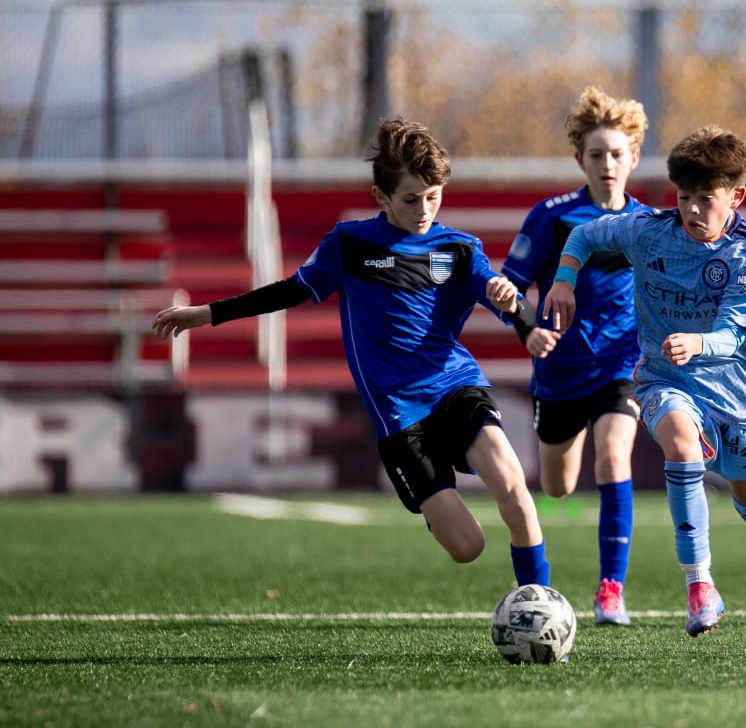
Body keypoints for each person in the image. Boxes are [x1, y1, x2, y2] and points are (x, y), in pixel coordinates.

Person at [153, 117, 552, 588]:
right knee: (468, 547)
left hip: (455, 386)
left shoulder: (460, 249)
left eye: (433, 196)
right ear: (381, 197)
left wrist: (524, 318)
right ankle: (434, 503)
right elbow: (290, 291)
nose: (424, 209)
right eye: (411, 199)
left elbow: (501, 295)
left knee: (514, 491)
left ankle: (540, 603)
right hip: (399, 413)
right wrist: (210, 314)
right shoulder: (350, 245)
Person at [543, 124, 746, 651]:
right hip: (663, 379)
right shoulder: (648, 230)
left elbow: (734, 332)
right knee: (679, 443)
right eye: (685, 197)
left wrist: (698, 342)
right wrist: (564, 278)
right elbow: (583, 234)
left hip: (732, 390)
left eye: (706, 199)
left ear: (736, 196)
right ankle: (700, 586)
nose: (692, 209)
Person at [500, 86, 651, 626]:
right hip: (561, 371)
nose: (607, 164)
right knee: (557, 486)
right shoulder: (552, 216)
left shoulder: (650, 224)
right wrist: (528, 332)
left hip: (621, 364)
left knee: (614, 456)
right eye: (596, 154)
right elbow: (506, 287)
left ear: (634, 157)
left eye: (617, 154)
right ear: (579, 160)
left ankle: (611, 589)